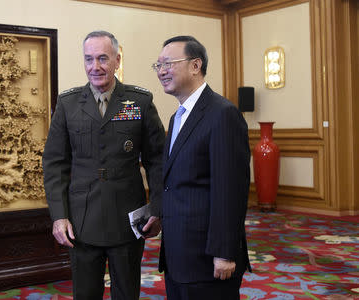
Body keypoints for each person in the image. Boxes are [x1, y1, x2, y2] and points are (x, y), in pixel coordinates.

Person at [42, 31, 165, 300]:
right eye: (88, 59)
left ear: (117, 60)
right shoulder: (68, 103)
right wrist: (59, 216)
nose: (94, 67)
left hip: (128, 217)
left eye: (102, 58)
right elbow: (54, 163)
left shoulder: (139, 101)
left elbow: (157, 160)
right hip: (81, 218)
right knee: (85, 293)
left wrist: (157, 208)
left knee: (127, 292)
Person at [154, 35, 251, 299]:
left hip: (209, 258)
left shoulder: (223, 114)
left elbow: (230, 189)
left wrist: (225, 251)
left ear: (195, 66)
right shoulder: (177, 117)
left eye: (168, 63)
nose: (161, 71)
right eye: (158, 65)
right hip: (179, 254)